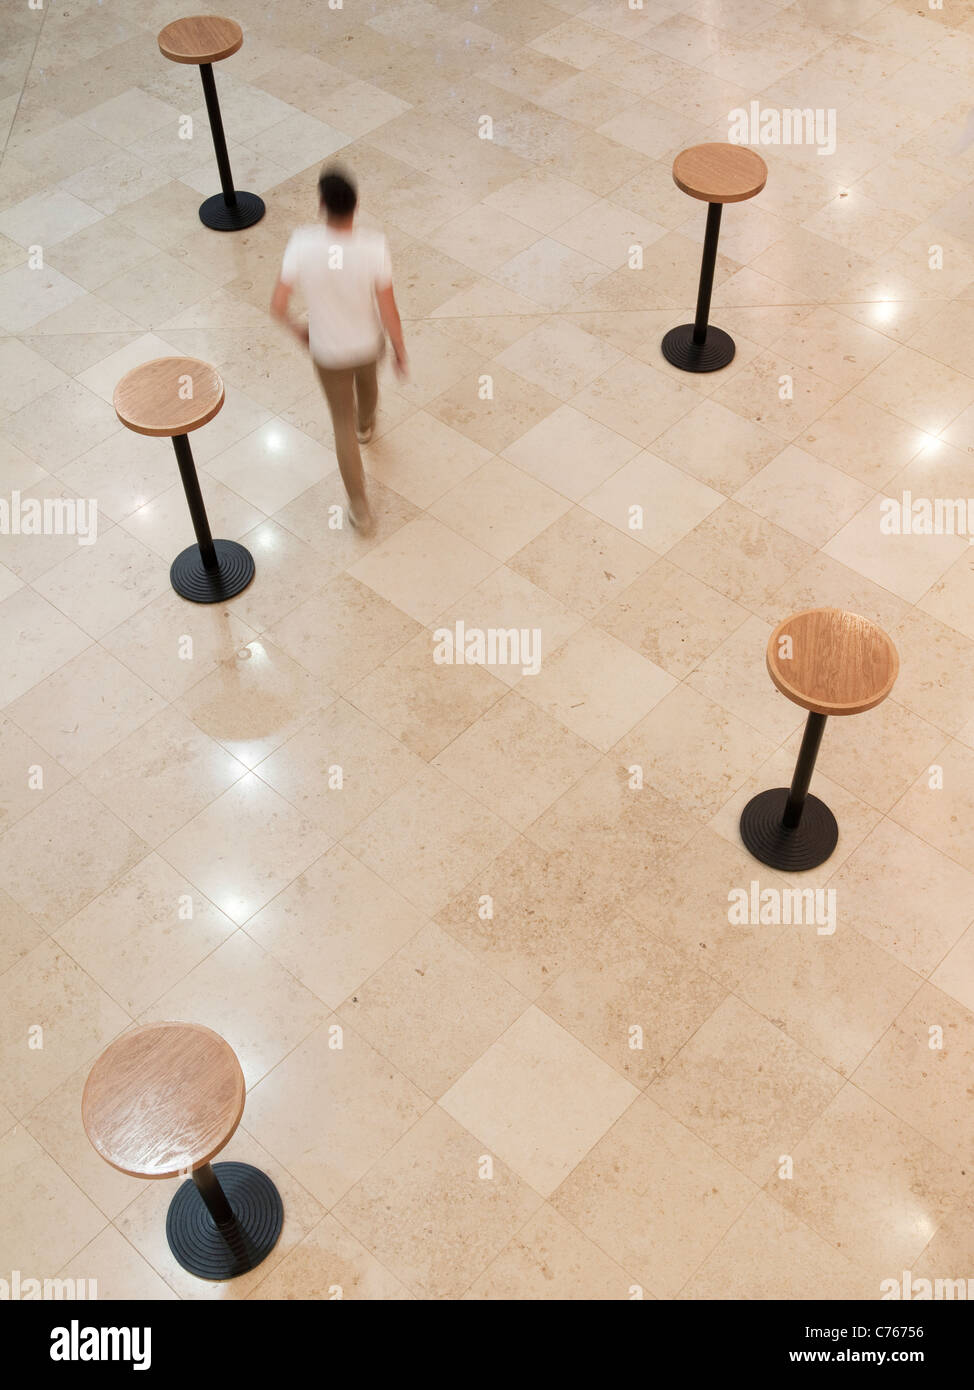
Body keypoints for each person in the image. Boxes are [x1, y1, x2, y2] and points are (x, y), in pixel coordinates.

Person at [271, 165, 407, 532]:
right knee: (367, 386)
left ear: (321, 205)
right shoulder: (373, 247)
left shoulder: (302, 243)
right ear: (356, 205)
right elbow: (388, 307)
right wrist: (398, 347)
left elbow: (278, 305)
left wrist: (301, 332)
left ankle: (360, 507)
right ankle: (368, 423)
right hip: (366, 344)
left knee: (339, 424)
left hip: (328, 351)